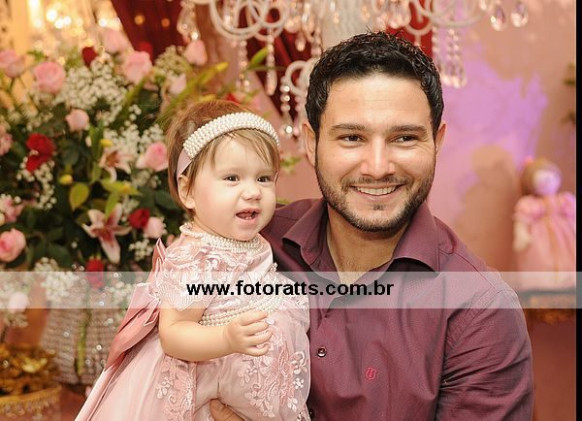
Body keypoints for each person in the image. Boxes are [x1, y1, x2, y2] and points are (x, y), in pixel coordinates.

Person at [210, 31, 533, 420]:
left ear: (436, 142)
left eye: (404, 138)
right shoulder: (247, 242)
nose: (378, 167)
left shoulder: (481, 311)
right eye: (352, 137)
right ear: (311, 143)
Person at [76, 100, 310, 421]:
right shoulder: (194, 258)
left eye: (264, 178)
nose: (253, 192)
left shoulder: (252, 241)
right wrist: (224, 338)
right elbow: (173, 333)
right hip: (202, 399)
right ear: (187, 191)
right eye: (232, 178)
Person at [513, 157, 576, 290]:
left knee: (569, 256)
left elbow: (572, 217)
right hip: (540, 238)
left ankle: (568, 281)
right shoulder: (529, 203)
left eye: (552, 177)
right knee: (541, 258)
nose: (548, 181)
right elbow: (522, 220)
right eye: (542, 180)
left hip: (565, 237)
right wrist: (521, 234)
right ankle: (545, 286)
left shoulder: (565, 200)